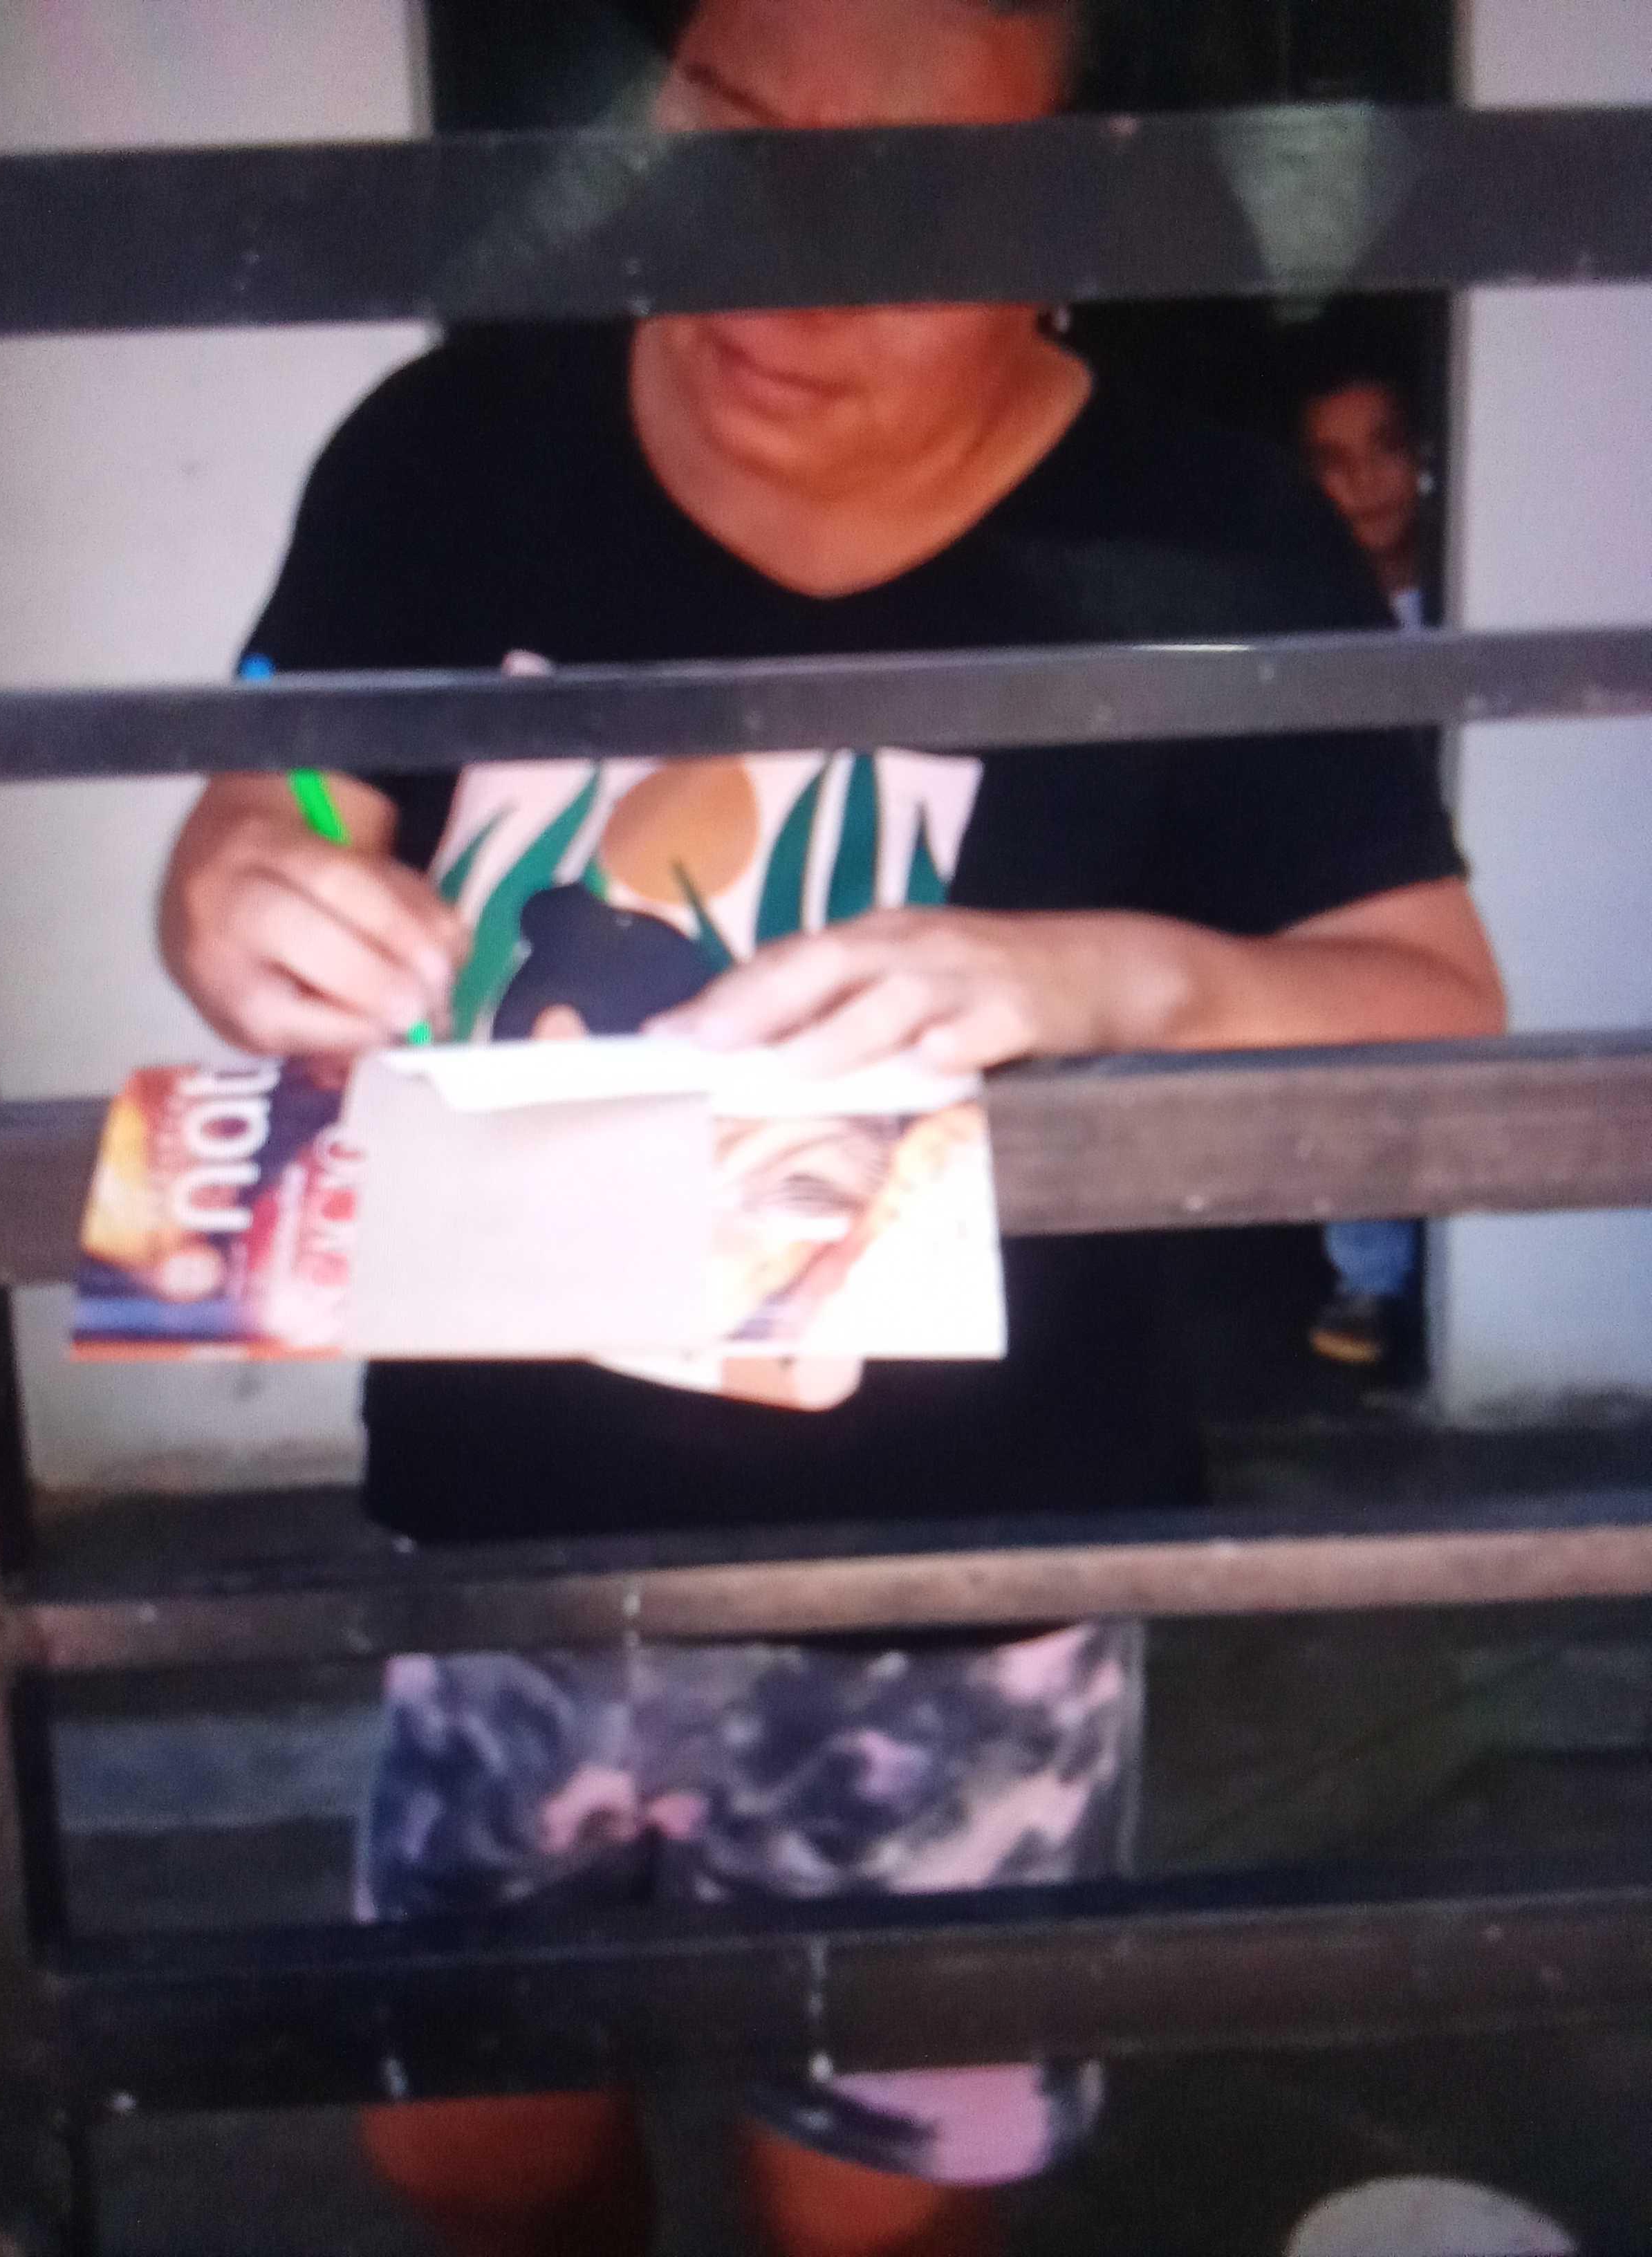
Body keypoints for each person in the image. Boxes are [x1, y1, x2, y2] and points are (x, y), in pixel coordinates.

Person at [159, 2, 1505, 2249]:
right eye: (727, 144)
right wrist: (243, 862)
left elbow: (1432, 1021)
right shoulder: (453, 441)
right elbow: (301, 764)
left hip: (960, 1587)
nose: (769, 278)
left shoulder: (1205, 542)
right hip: (501, 1537)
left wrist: (1094, 974)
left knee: (869, 2207)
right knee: (469, 2148)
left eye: (901, 207)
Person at [1297, 364, 1434, 1372]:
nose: (1364, 482)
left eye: (1383, 448)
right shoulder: (1303, 604)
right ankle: (1371, 1275)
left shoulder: (1486, 575)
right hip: (1361, 864)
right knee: (1356, 1041)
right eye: (1332, 461)